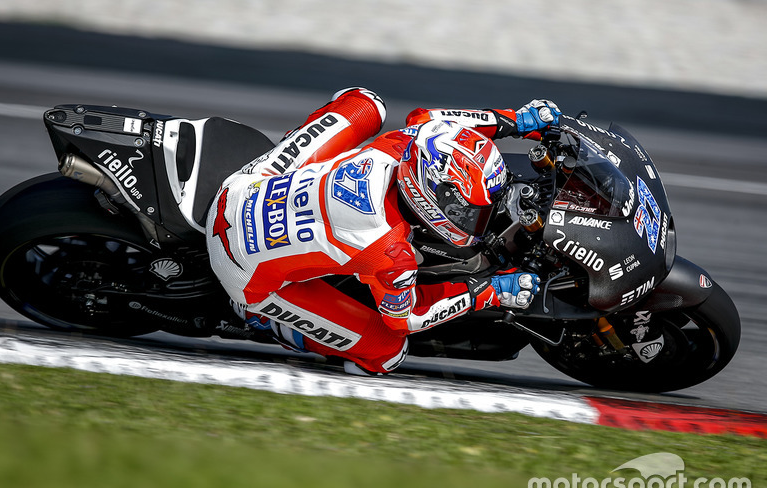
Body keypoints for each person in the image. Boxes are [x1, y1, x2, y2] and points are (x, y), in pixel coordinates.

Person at [206, 88, 561, 375]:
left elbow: (433, 121)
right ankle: (262, 318)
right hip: (241, 268)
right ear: (429, 196)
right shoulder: (391, 252)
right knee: (386, 353)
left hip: (246, 186)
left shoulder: (402, 144)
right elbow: (404, 318)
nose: (475, 222)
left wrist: (517, 121)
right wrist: (490, 291)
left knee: (366, 103)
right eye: (468, 212)